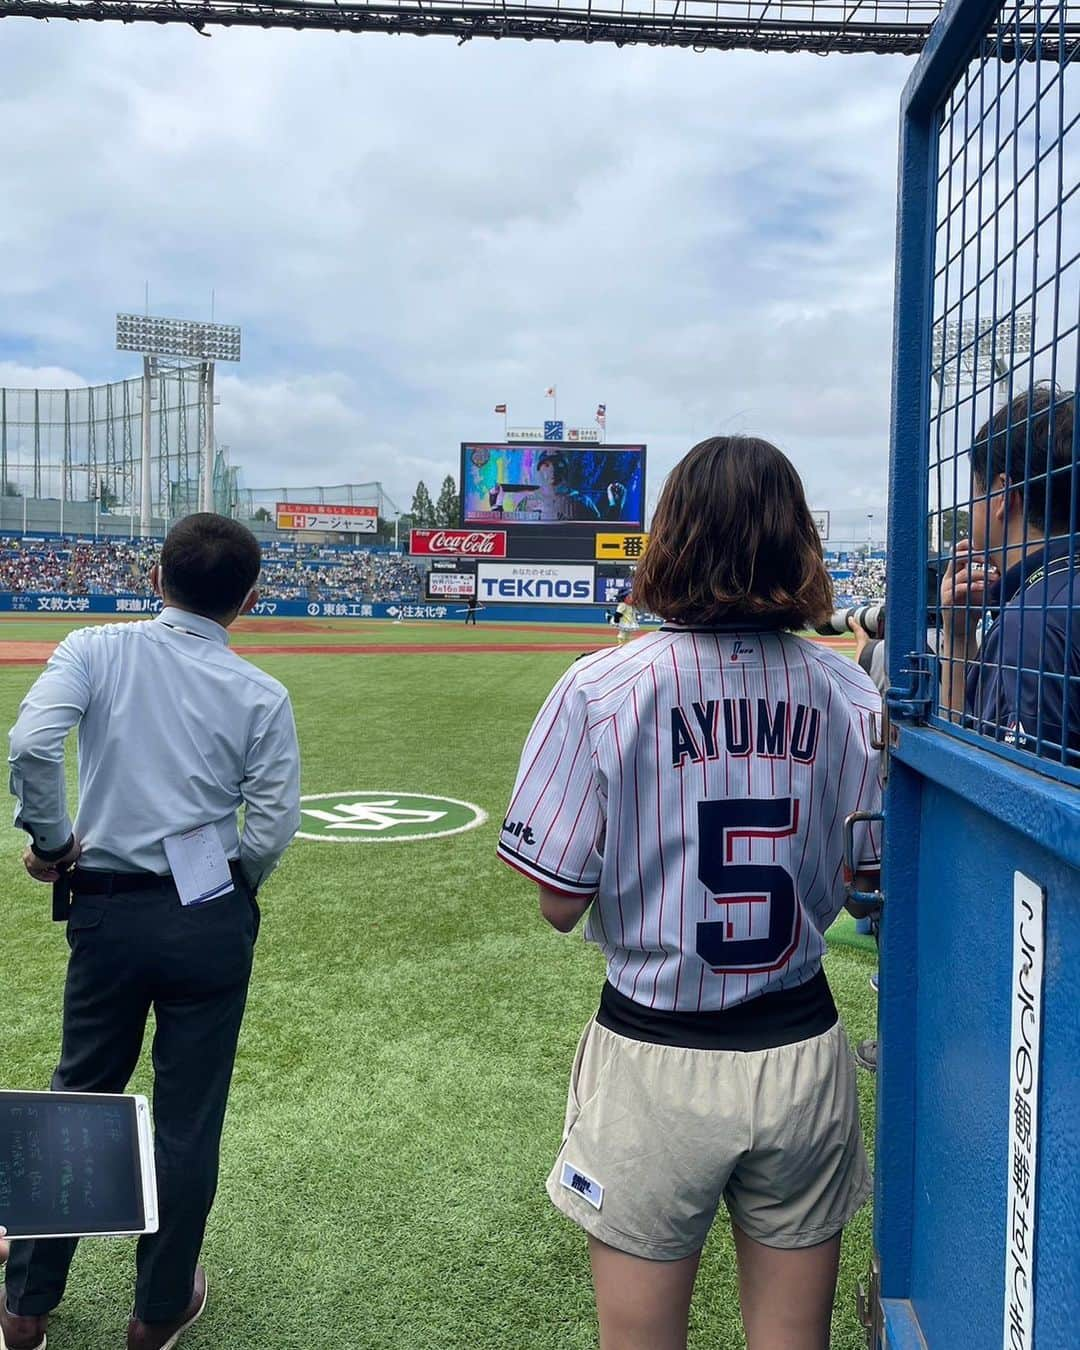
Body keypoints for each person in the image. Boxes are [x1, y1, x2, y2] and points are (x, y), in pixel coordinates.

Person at [498, 436, 882, 1350]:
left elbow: (557, 902)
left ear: (670, 538)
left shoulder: (601, 686)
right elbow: (869, 879)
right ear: (800, 545)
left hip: (654, 1053)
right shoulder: (851, 690)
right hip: (800, 1045)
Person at [3, 513, 301, 1350]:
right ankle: (157, 1309)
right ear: (248, 601)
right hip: (208, 918)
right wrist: (231, 882)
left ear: (156, 578)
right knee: (187, 1118)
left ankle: (25, 1308)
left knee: (78, 1098)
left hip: (104, 908)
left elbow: (31, 742)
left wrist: (54, 843)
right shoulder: (260, 692)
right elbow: (273, 825)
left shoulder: (96, 648)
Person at [940, 386, 1079, 764]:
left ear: (1003, 495)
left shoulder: (1030, 623)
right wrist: (959, 635)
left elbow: (988, 787)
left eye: (975, 494)